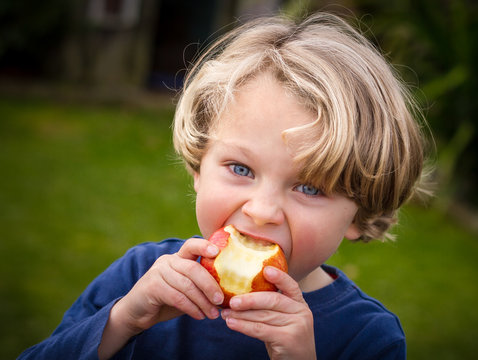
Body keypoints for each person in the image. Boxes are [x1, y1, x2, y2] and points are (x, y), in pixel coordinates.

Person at [19, 11, 426, 360]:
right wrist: (122, 321)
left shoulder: (367, 338)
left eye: (310, 189)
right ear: (199, 164)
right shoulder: (139, 279)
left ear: (363, 213)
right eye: (241, 169)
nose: (261, 210)